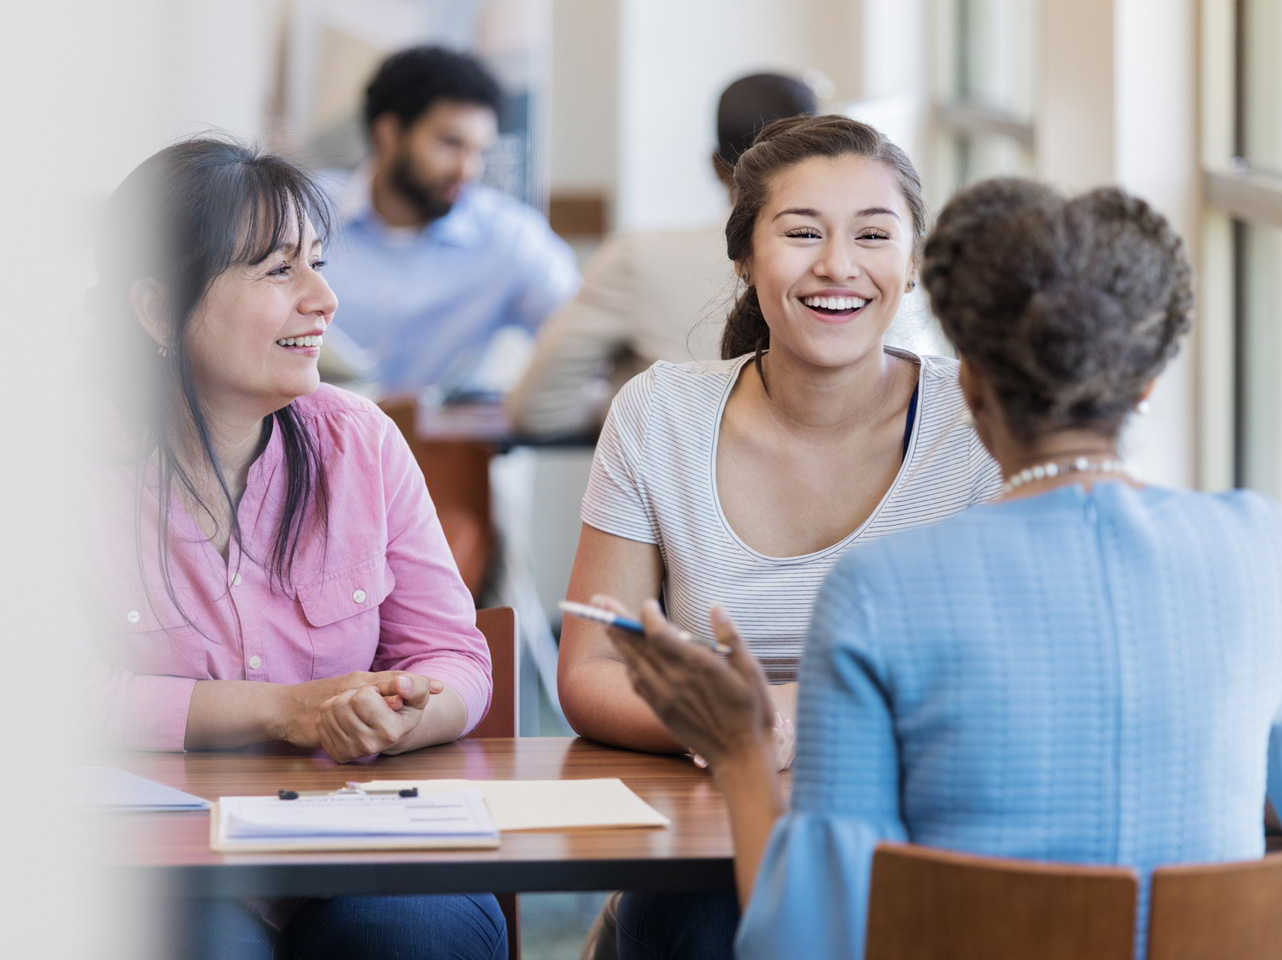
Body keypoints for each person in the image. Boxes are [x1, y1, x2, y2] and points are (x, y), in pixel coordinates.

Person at [598, 179, 1282, 960]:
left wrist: (742, 752)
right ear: (1148, 381)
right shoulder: (1270, 549)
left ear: (970, 385)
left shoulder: (881, 593)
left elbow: (808, 941)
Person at [556, 114, 1000, 960]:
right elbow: (586, 668)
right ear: (743, 258)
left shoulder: (978, 422)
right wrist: (732, 732)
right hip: (705, 842)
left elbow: (991, 675)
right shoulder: (660, 413)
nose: (838, 266)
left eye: (874, 235)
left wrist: (787, 719)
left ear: (911, 268)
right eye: (802, 233)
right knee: (702, 919)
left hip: (917, 828)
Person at [90, 137, 505, 960]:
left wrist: (399, 717)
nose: (324, 300)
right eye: (280, 272)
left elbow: (456, 656)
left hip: (360, 843)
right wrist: (287, 709)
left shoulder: (360, 441)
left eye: (317, 264)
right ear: (153, 305)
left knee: (418, 935)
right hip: (164, 863)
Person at [506, 73, 817, 436]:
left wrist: (642, 409)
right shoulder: (860, 271)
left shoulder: (638, 259)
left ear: (716, 166)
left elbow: (538, 408)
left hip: (677, 488)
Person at [319, 45, 579, 396]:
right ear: (389, 134)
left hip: (446, 448)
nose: (467, 170)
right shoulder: (300, 213)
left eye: (479, 151)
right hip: (307, 442)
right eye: (451, 144)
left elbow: (581, 333)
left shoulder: (508, 235)